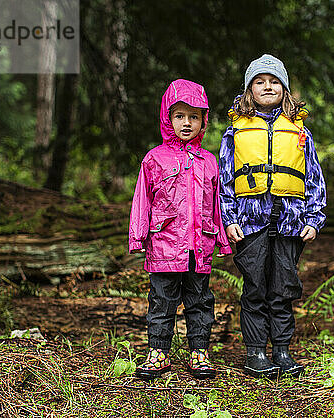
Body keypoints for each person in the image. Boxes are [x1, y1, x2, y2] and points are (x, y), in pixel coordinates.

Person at [219, 54, 326, 378]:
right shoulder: (234, 131)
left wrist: (313, 219)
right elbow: (224, 179)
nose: (268, 87)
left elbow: (313, 178)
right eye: (260, 82)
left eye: (274, 81)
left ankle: (281, 349)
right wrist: (230, 218)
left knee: (283, 287)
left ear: (285, 89)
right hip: (250, 221)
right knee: (254, 287)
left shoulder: (298, 131)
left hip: (290, 221)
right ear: (249, 90)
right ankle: (255, 352)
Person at [128, 79, 231, 380]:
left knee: (200, 300)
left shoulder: (210, 161)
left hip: (199, 247)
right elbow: (142, 199)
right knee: (162, 301)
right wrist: (138, 236)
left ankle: (199, 351)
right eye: (179, 116)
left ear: (204, 120)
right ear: (167, 118)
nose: (187, 123)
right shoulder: (154, 159)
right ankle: (158, 352)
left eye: (194, 116)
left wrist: (222, 240)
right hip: (163, 247)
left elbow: (218, 204)